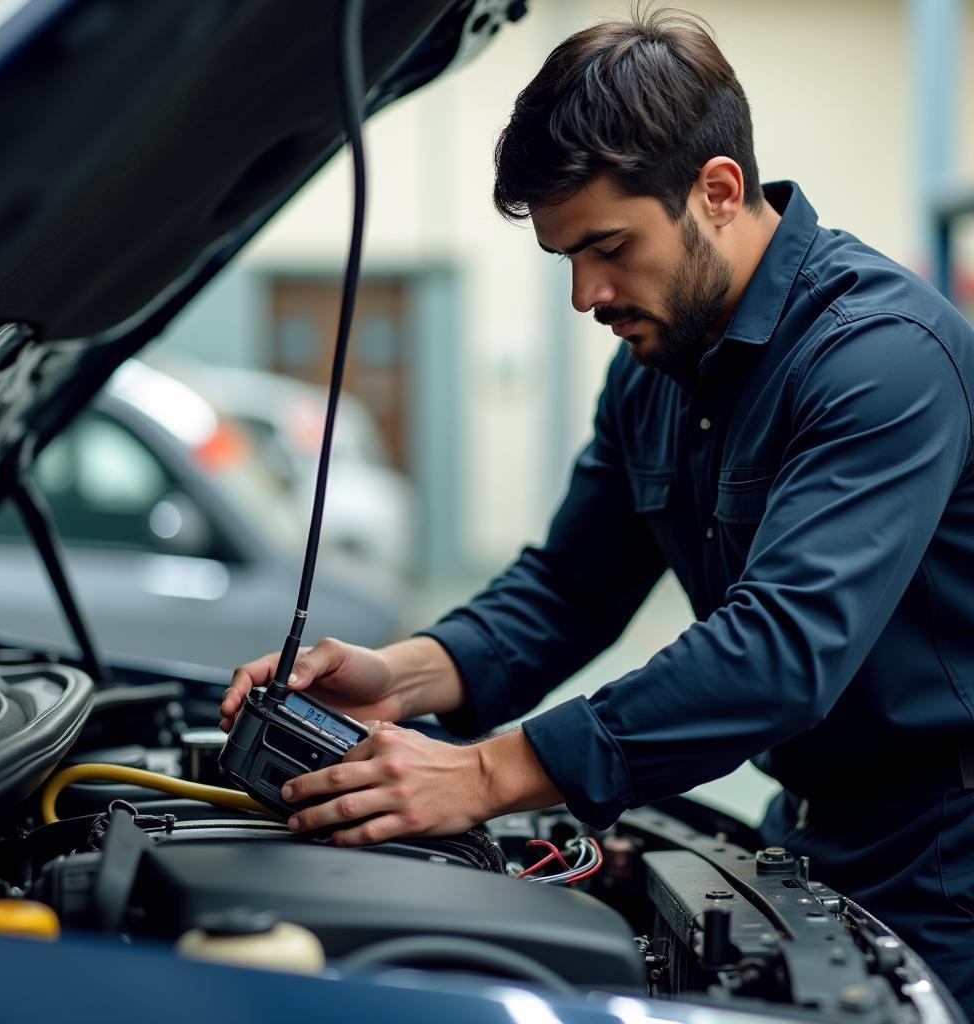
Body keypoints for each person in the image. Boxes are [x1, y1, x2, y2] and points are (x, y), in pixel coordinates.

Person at [220, 8, 974, 1012]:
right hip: (816, 826)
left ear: (715, 191)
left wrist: (488, 773)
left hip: (948, 856)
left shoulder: (882, 358)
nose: (586, 293)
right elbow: (567, 586)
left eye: (608, 246)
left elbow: (781, 650)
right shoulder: (654, 372)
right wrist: (398, 676)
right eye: (564, 257)